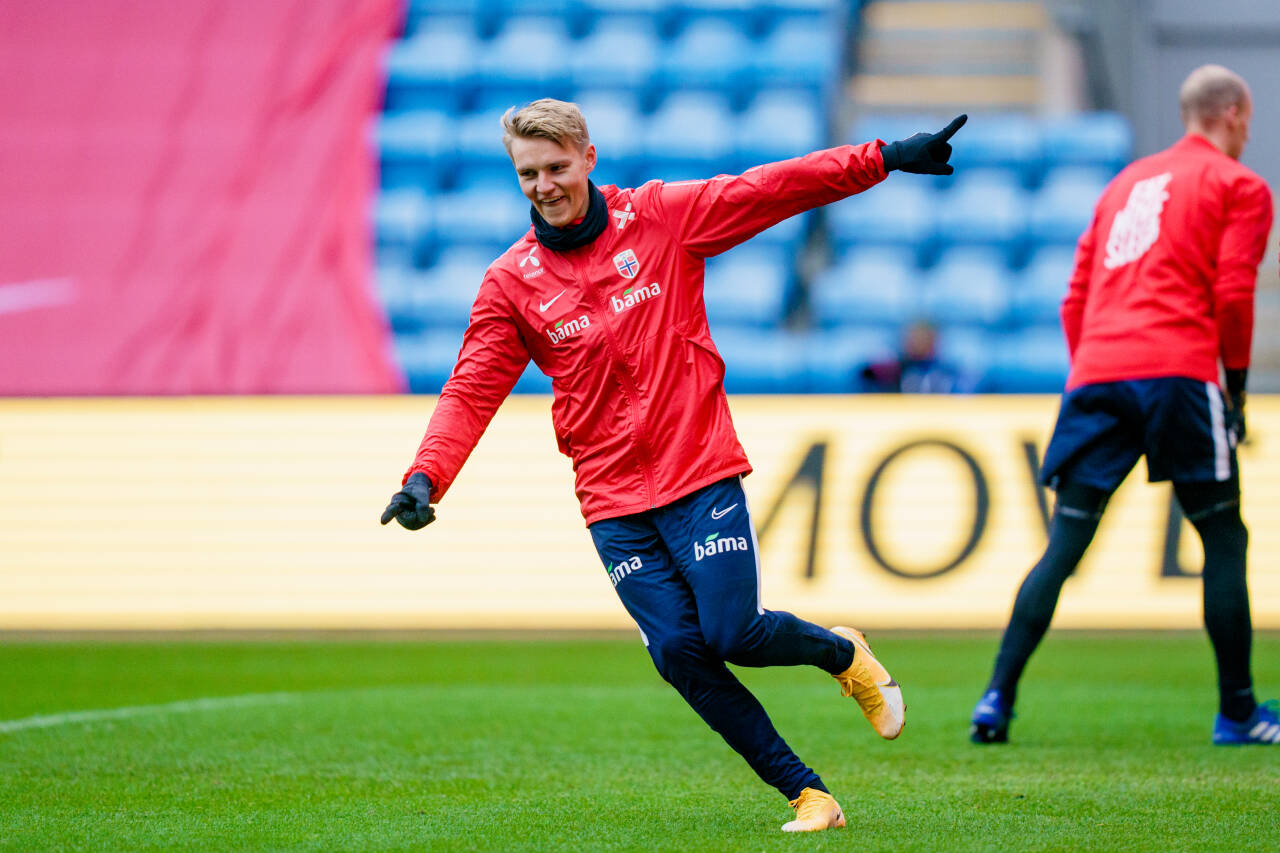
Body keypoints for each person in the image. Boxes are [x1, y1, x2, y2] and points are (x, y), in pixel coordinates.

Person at [381, 98, 967, 831]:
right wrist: (425, 476)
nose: (543, 185)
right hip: (612, 501)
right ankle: (808, 794)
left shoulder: (661, 217)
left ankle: (840, 652)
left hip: (698, 470)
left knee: (732, 633)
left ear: (589, 158)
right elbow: (472, 387)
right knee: (681, 654)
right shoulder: (511, 283)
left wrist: (882, 156)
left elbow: (773, 188)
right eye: (527, 173)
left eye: (556, 167)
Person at [970, 65, 1277, 747]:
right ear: (1231, 112)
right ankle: (1239, 711)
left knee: (1064, 545)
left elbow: (1074, 297)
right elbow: (1231, 294)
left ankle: (995, 698)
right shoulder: (1241, 186)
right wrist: (1234, 387)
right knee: (1225, 537)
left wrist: (1091, 369)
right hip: (1178, 374)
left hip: (1097, 375)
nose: (1249, 132)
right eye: (1249, 119)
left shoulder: (1123, 185)